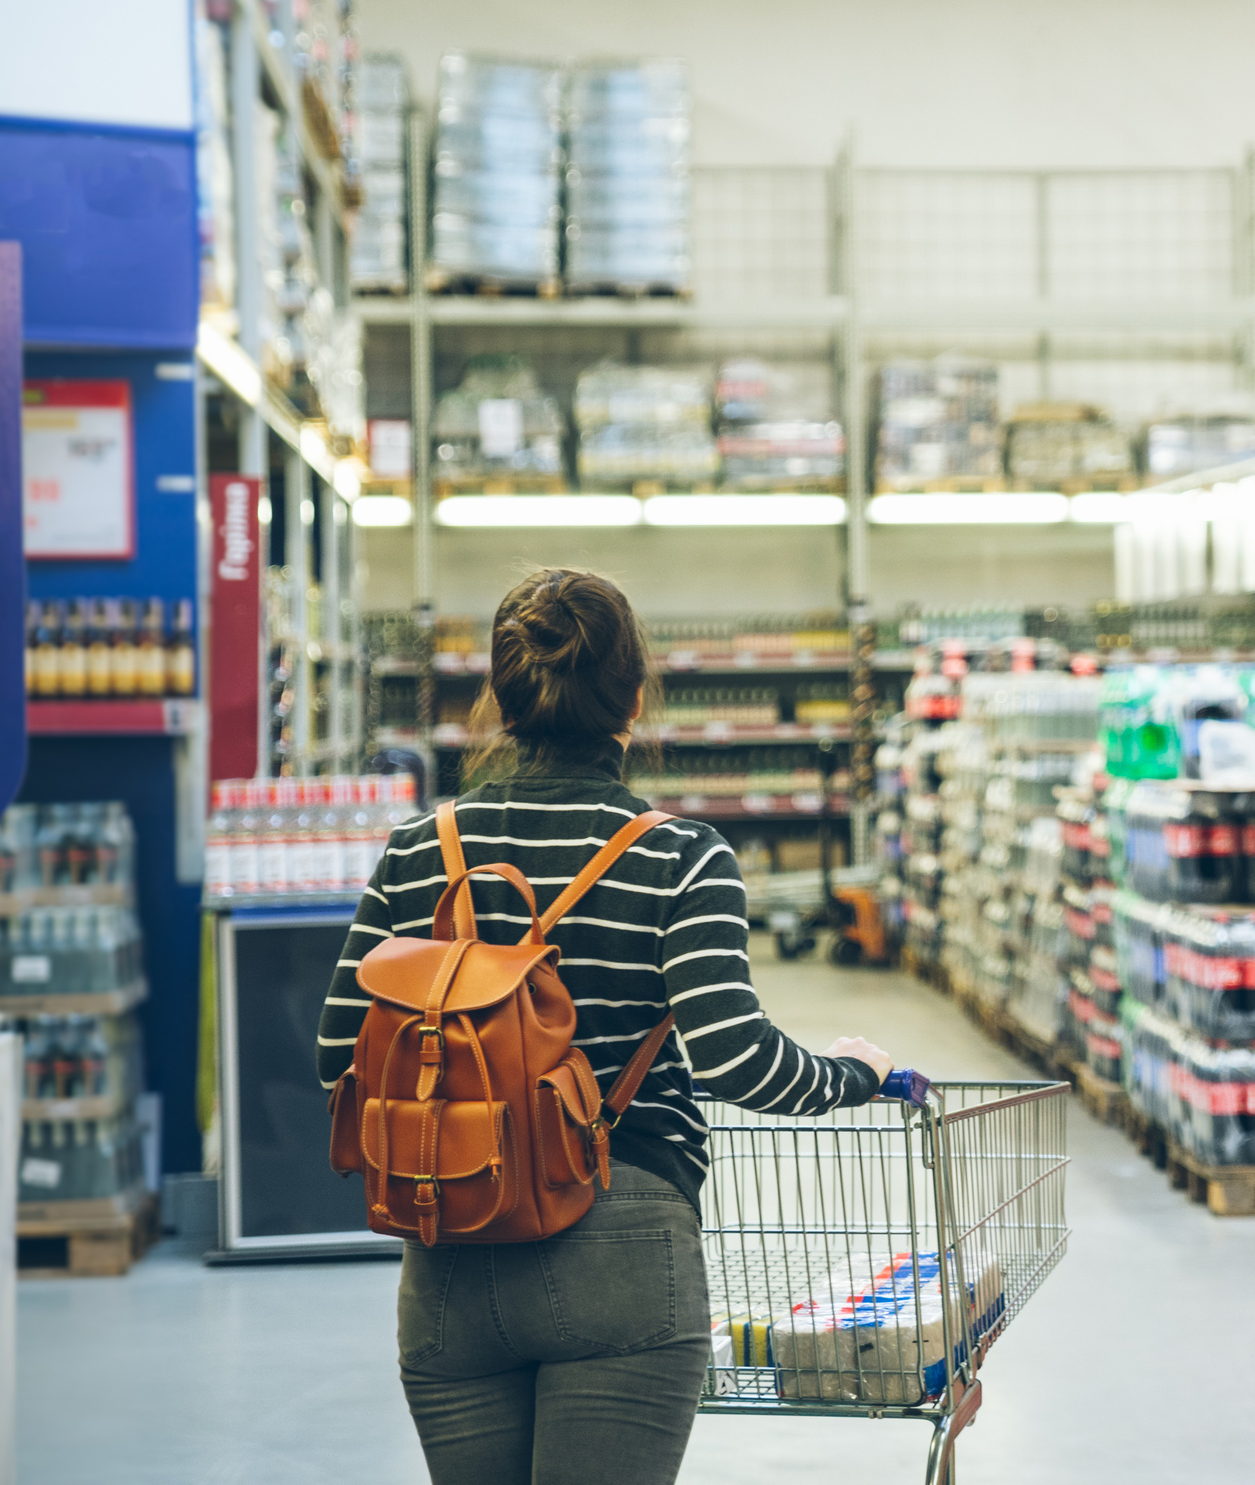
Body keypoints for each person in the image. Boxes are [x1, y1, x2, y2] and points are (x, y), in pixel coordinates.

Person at [316, 567, 894, 1485]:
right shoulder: (679, 857)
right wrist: (852, 1074)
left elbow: (336, 1057)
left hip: (449, 1241)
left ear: (498, 700)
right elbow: (735, 1059)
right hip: (619, 1244)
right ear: (633, 698)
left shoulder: (419, 850)